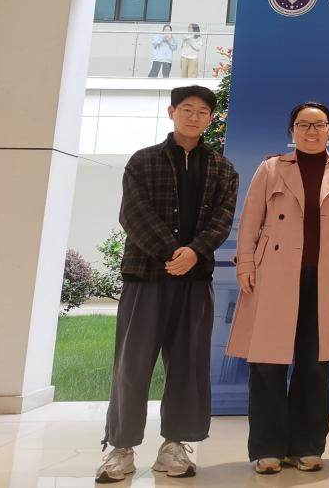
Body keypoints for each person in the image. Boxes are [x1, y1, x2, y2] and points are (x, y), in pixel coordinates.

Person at [96, 85, 239, 484]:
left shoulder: (223, 168)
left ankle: (175, 445)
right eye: (187, 109)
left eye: (203, 112)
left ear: (211, 118)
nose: (195, 117)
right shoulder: (143, 161)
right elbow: (133, 214)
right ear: (172, 112)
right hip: (145, 276)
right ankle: (121, 448)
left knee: (189, 367)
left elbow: (223, 220)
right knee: (132, 365)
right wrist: (173, 252)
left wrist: (194, 253)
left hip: (195, 280)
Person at [226, 102, 329, 474]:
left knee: (315, 364)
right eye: (303, 124)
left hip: (327, 275)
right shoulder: (271, 168)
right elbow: (250, 219)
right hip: (273, 273)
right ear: (292, 130)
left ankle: (307, 445)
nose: (311, 131)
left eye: (319, 125)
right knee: (267, 362)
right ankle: (268, 448)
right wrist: (245, 264)